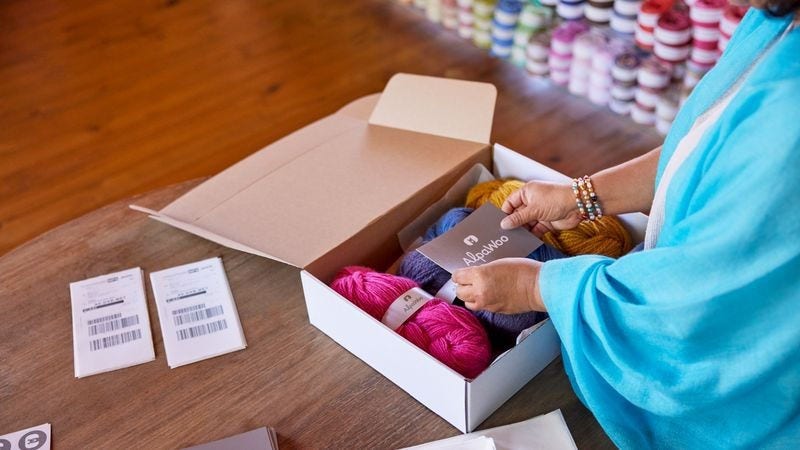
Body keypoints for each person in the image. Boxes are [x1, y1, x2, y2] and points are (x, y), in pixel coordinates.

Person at [453, 4, 800, 448]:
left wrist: (535, 289)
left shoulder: (791, 117)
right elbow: (705, 147)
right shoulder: (774, 21)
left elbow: (693, 304)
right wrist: (582, 196)